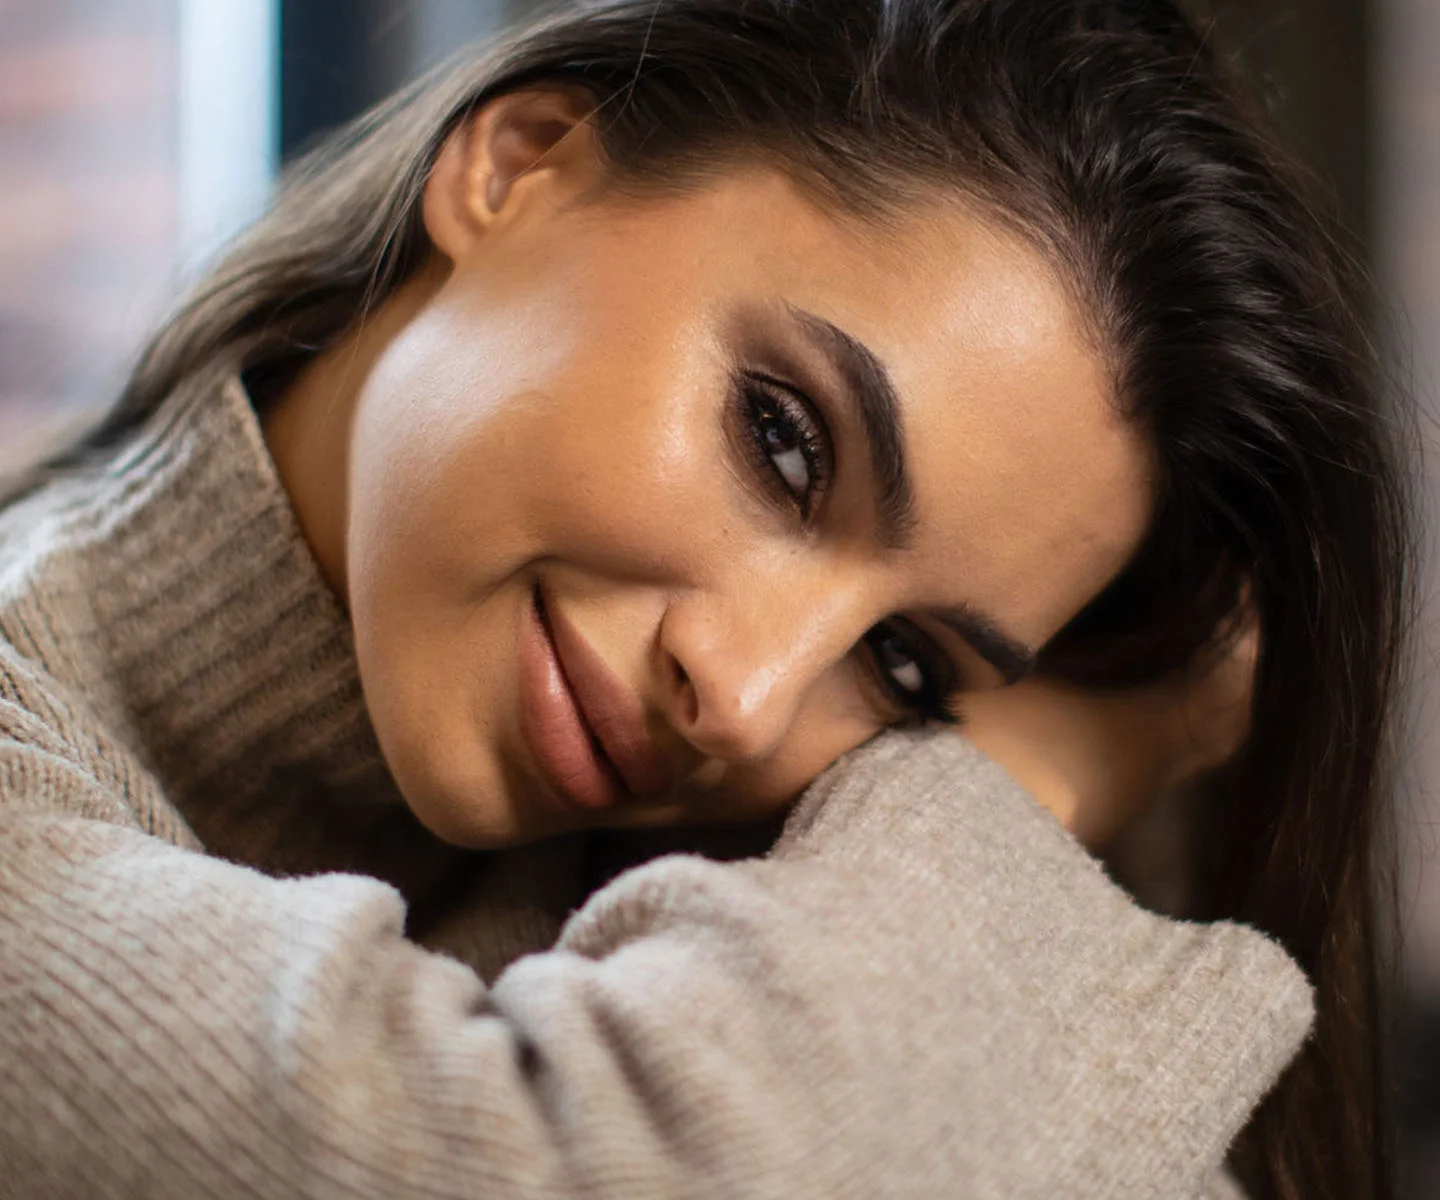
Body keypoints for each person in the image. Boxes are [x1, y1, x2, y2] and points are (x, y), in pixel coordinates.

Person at [0, 1, 1409, 1197]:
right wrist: (1050, 773)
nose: (743, 698)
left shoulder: (774, 910)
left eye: (906, 669)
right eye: (784, 443)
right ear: (519, 165)